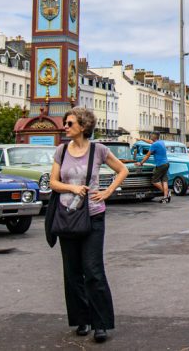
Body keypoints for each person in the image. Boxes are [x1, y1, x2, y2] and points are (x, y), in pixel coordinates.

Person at [50, 107, 129, 343]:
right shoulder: (61, 151)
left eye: (70, 123)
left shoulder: (98, 150)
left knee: (93, 270)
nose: (65, 126)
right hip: (67, 215)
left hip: (93, 215)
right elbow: (53, 182)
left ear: (83, 126)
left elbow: (122, 170)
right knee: (72, 271)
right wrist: (71, 188)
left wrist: (107, 192)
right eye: (65, 122)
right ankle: (81, 319)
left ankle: (100, 323)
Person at [136, 132, 170, 204]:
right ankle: (165, 197)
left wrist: (141, 163)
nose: (150, 136)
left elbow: (147, 155)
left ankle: (166, 194)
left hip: (160, 164)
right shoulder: (161, 142)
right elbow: (149, 141)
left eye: (151, 135)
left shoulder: (154, 145)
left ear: (155, 137)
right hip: (166, 163)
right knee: (164, 180)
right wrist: (141, 139)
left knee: (154, 181)